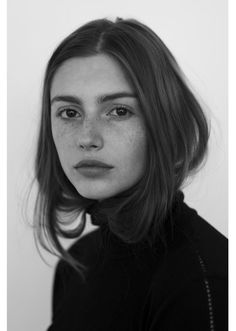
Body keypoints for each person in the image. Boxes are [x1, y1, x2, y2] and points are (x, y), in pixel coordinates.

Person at [33, 17, 228, 330]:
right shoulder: (75, 264)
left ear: (165, 123)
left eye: (119, 111)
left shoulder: (203, 281)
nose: (87, 138)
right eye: (69, 113)